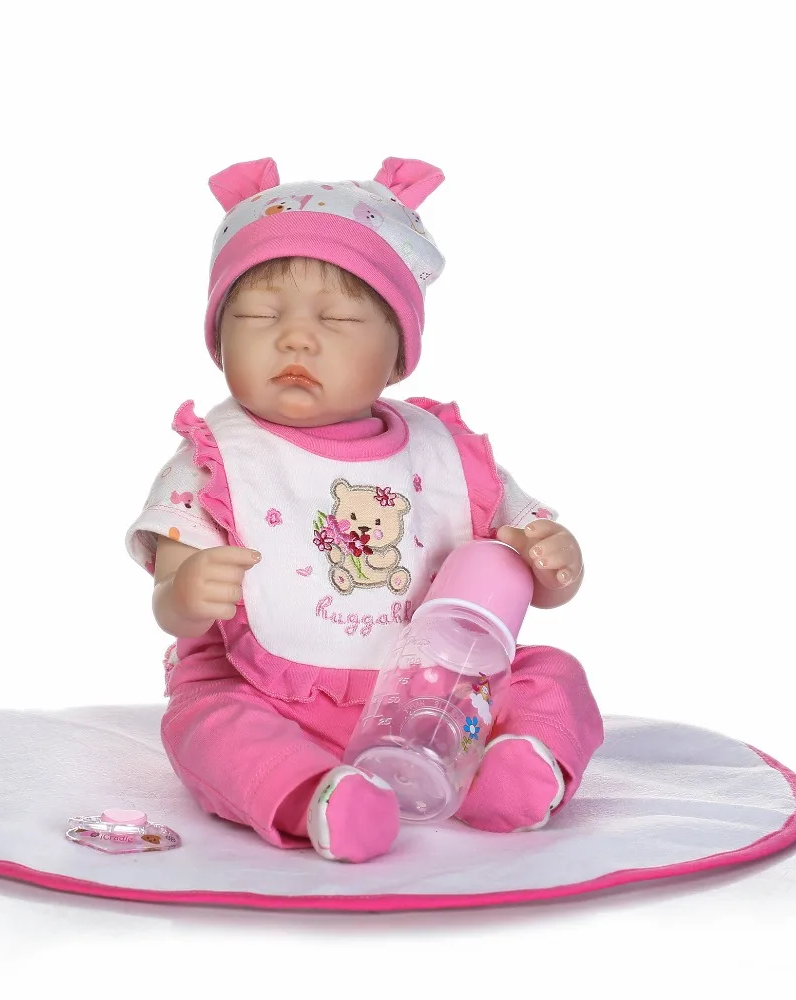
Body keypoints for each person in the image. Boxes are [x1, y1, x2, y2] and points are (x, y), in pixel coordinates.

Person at [125, 156, 604, 863]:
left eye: (340, 319)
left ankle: (517, 764)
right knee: (208, 723)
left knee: (550, 672)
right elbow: (171, 600)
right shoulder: (217, 460)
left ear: (400, 356)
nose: (296, 338)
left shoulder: (445, 453)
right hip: (266, 695)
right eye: (258, 316)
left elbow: (528, 565)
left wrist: (556, 565)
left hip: (442, 699)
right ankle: (318, 796)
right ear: (219, 341)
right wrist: (186, 594)